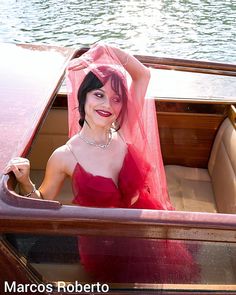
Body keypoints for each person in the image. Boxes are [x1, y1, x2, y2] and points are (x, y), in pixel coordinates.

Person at [4, 44, 200, 283]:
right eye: (99, 94)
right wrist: (24, 181)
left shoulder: (125, 131)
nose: (107, 105)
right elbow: (43, 205)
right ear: (83, 96)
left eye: (116, 98)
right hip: (106, 244)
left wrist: (107, 48)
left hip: (144, 225)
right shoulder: (64, 156)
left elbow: (143, 75)